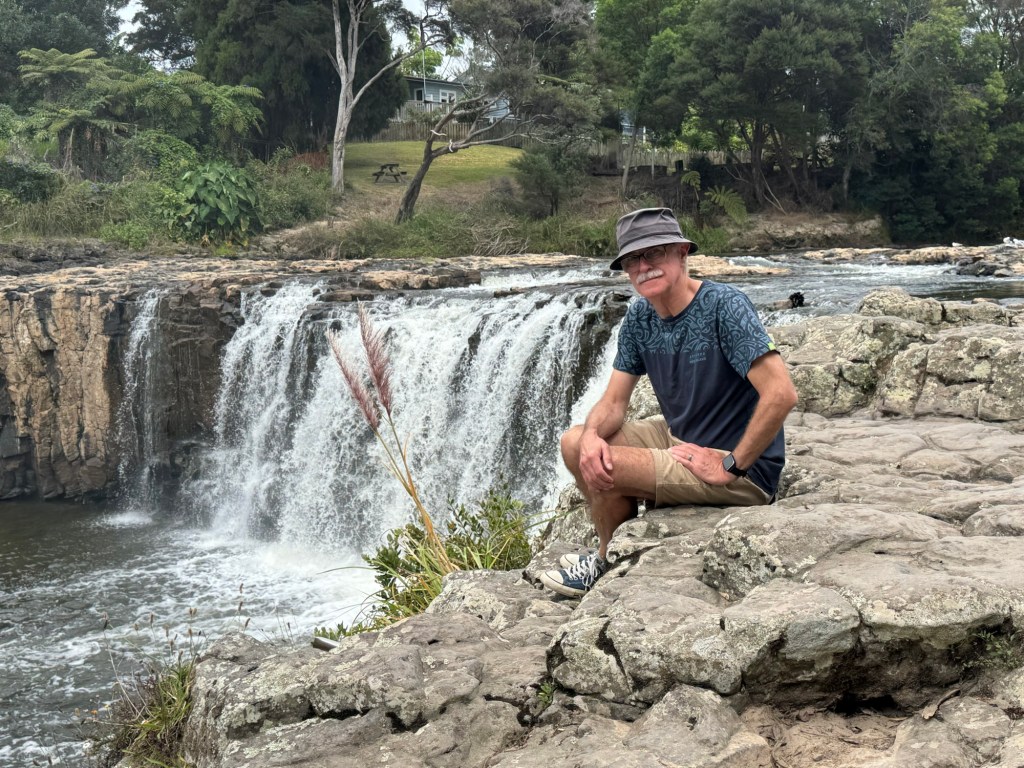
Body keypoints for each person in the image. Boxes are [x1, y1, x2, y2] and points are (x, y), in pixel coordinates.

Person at [540, 207, 798, 597]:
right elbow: (614, 401)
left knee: (608, 465)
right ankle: (614, 547)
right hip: (681, 439)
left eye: (654, 253)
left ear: (681, 252)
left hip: (741, 470)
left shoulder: (724, 306)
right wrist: (592, 435)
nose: (643, 266)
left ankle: (604, 563)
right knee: (576, 444)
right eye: (632, 259)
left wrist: (732, 465)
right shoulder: (640, 317)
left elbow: (781, 393)